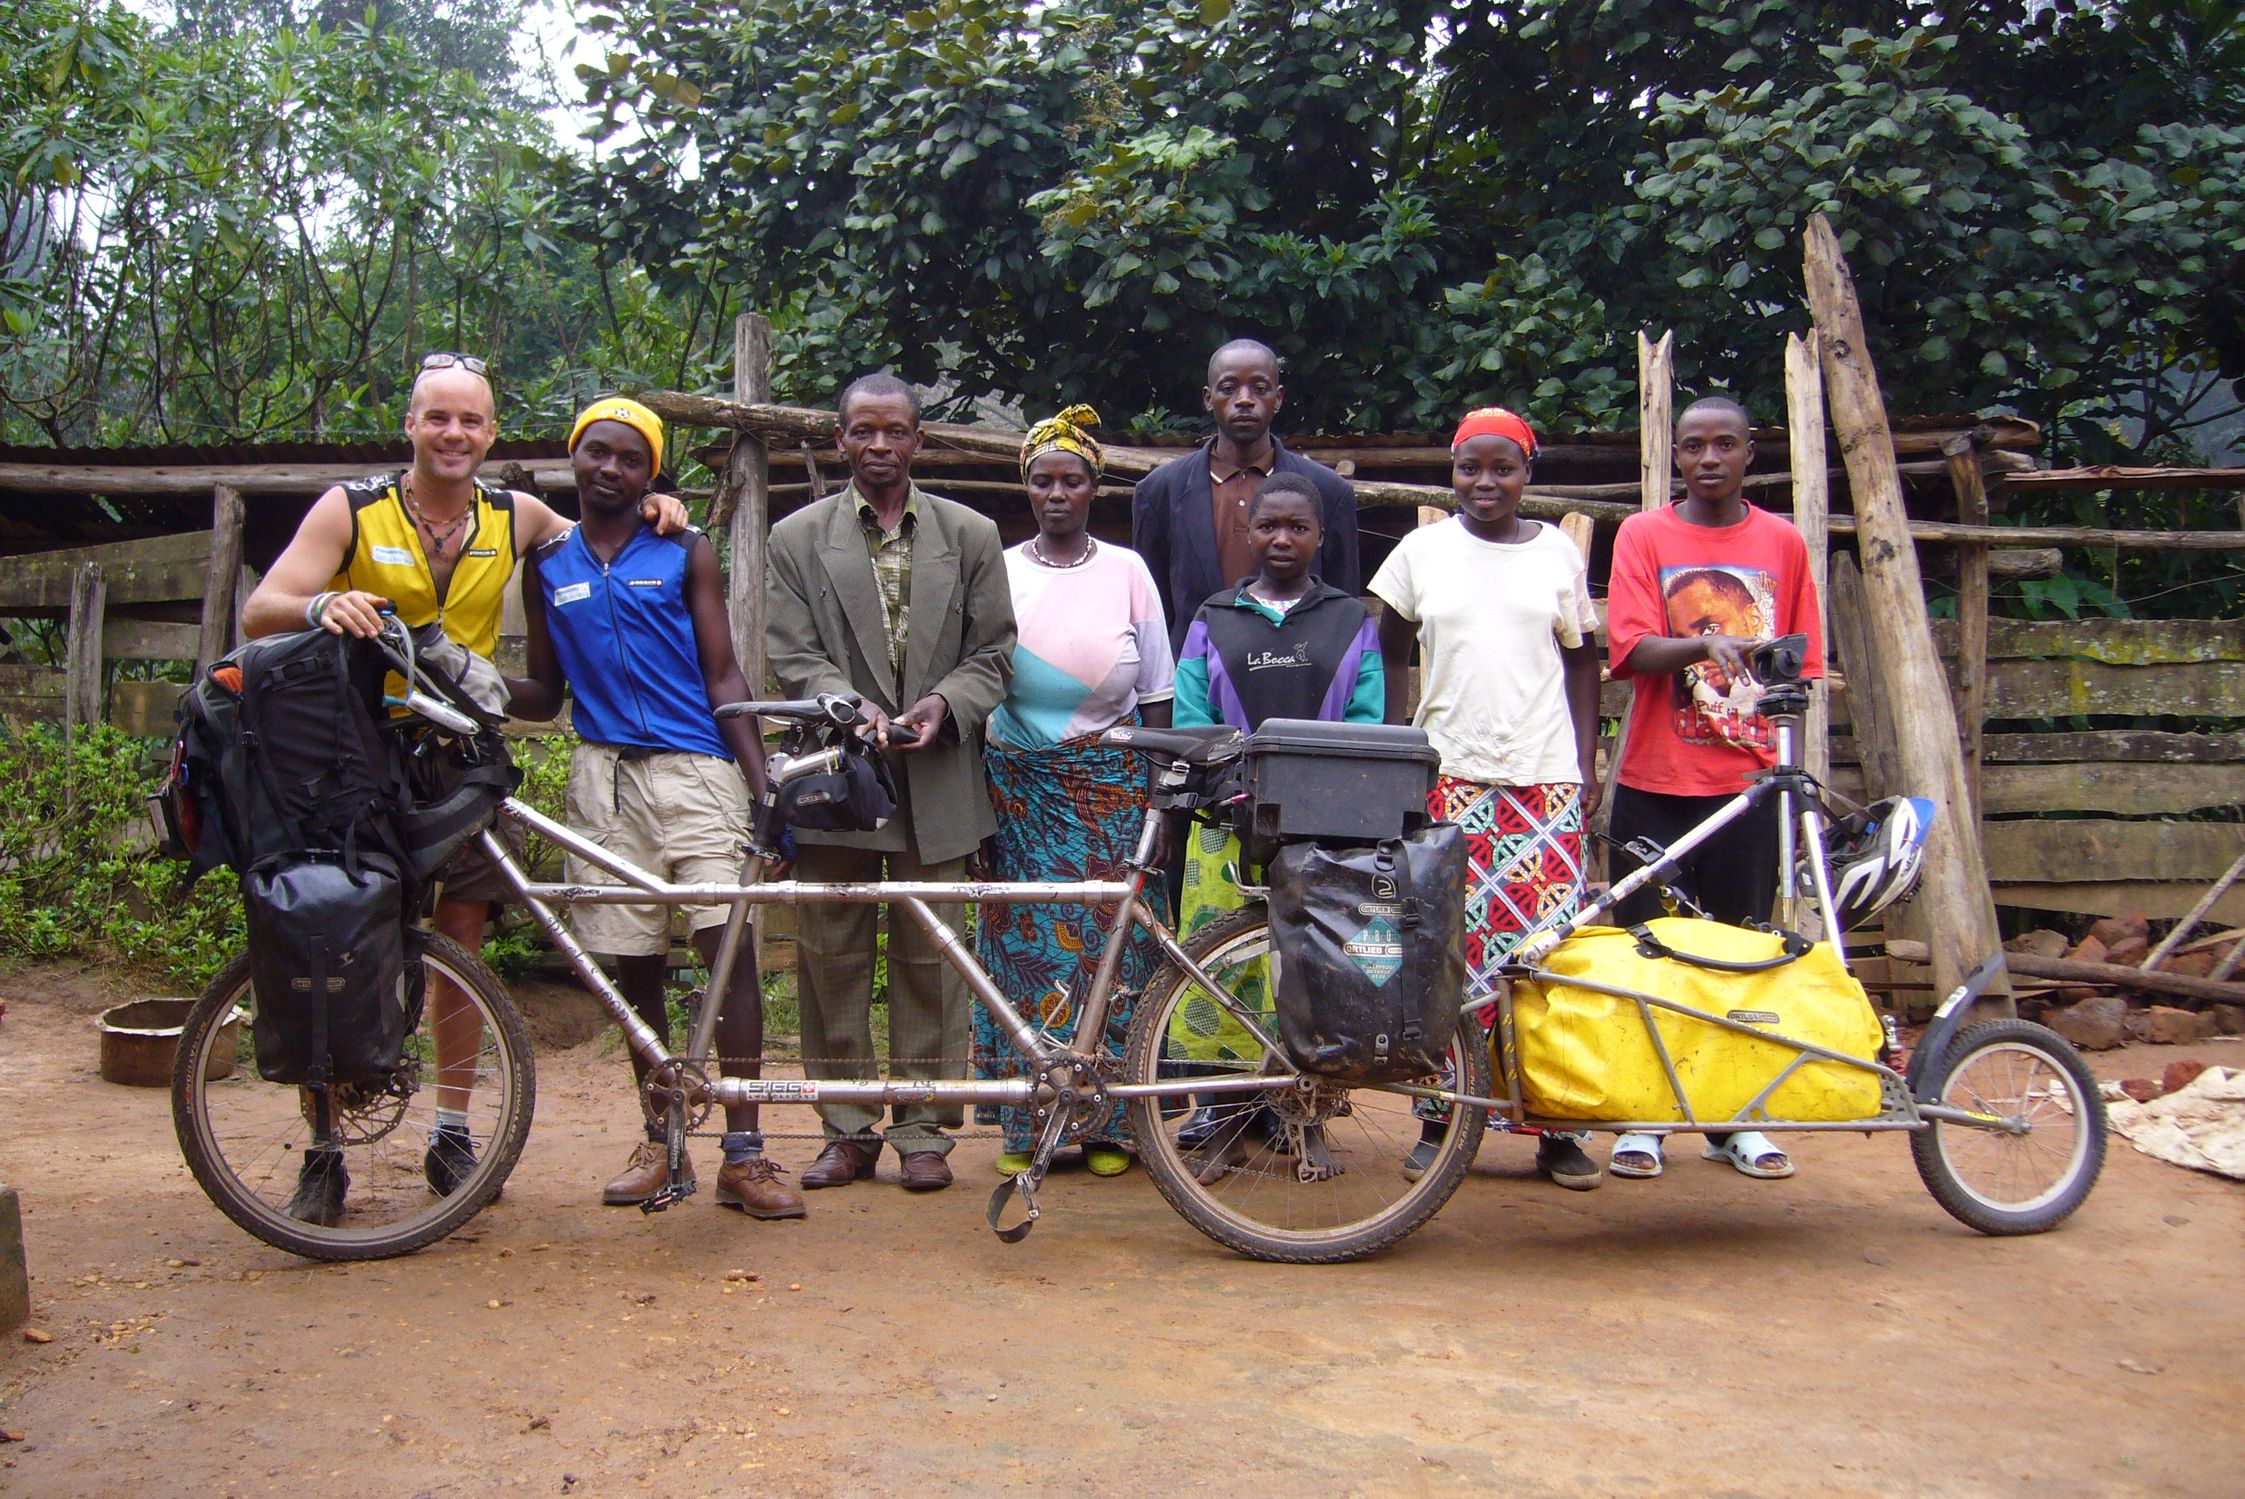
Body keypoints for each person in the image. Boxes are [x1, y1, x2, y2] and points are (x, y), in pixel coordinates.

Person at [240, 352, 688, 1226]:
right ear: (410, 424)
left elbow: (601, 524)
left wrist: (655, 507)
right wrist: (320, 607)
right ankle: (325, 1147)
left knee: (462, 940)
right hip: (349, 755)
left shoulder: (514, 514)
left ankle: (451, 1129)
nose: (454, 434)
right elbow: (266, 604)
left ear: (490, 433)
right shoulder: (352, 509)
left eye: (471, 421)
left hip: (456, 755)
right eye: (437, 418)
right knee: (338, 944)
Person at [510, 397, 802, 1221]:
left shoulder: (684, 549)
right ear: (575, 459)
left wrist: (761, 786)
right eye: (595, 453)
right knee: (630, 961)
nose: (609, 468)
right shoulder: (548, 562)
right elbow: (542, 691)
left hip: (697, 772)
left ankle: (743, 1154)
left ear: (651, 473)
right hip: (604, 782)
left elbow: (723, 675)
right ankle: (660, 1134)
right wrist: (458, 675)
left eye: (628, 458)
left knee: (727, 953)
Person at [763, 372, 1016, 1193]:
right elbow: (791, 654)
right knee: (830, 949)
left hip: (939, 772)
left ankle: (922, 1129)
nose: (879, 446)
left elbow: (995, 654)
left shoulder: (971, 534)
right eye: (862, 431)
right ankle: (845, 1126)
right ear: (839, 440)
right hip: (841, 775)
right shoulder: (796, 539)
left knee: (930, 950)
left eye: (895, 431)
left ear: (918, 440)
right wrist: (853, 709)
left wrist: (947, 703)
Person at [1370, 406, 1606, 1192]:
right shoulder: (1420, 552)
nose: (1484, 482)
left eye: (1502, 467)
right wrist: (1399, 748)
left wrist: (1584, 757)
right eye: (1470, 467)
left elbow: (1582, 660)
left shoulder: (1556, 557)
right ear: (1452, 470)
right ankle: (1442, 1119)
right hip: (1450, 775)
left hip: (1542, 780)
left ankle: (1554, 1124)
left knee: (1546, 960)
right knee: (1445, 949)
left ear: (1527, 473)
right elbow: (1390, 650)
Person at [1602, 395, 1825, 1182]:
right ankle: (1647, 1115)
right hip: (1652, 778)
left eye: (1723, 444)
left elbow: (1796, 661)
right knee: (1648, 949)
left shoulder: (1782, 543)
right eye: (1691, 445)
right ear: (1676, 456)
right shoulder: (1644, 535)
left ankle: (1735, 1117)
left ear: (1748, 453)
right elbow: (1628, 648)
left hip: (1745, 786)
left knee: (1742, 947)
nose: (1706, 459)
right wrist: (1703, 641)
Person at [971, 405, 1175, 1178]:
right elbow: (976, 673)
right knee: (1019, 946)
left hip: (1110, 785)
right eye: (1041, 479)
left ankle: (1107, 1123)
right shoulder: (998, 566)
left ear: (1095, 486)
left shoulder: (1127, 570)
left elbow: (1155, 688)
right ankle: (1025, 1124)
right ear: (1026, 487)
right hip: (1017, 786)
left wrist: (1160, 787)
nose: (1056, 492)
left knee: (1110, 948)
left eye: (1072, 479)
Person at [1169, 472, 1381, 1148]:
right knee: (1219, 960)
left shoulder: (1350, 619)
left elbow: (1366, 719)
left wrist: (1319, 791)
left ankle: (1301, 1106)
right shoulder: (1213, 617)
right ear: (1248, 531)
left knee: (1311, 963)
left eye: (1297, 526)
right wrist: (1231, 781)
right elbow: (1190, 714)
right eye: (1269, 525)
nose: (1282, 538)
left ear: (1320, 536)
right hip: (1225, 821)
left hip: (1320, 829)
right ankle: (1220, 1104)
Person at [1131, 339, 1361, 652]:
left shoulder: (1328, 492)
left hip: (1299, 678)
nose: (1244, 400)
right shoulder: (1160, 492)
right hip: (1196, 684)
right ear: (1208, 398)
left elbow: (1342, 610)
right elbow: (1152, 613)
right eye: (1228, 388)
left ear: (1278, 398)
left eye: (1259, 388)